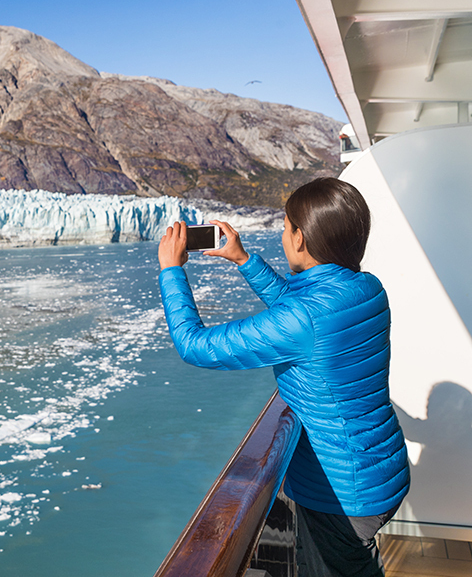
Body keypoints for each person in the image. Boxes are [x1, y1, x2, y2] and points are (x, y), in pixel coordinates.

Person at [157, 178, 409, 577]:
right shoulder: (366, 289)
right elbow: (301, 313)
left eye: (288, 226)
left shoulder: (305, 318)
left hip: (341, 495)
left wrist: (172, 271)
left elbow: (195, 346)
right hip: (381, 472)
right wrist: (244, 260)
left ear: (301, 240)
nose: (283, 233)